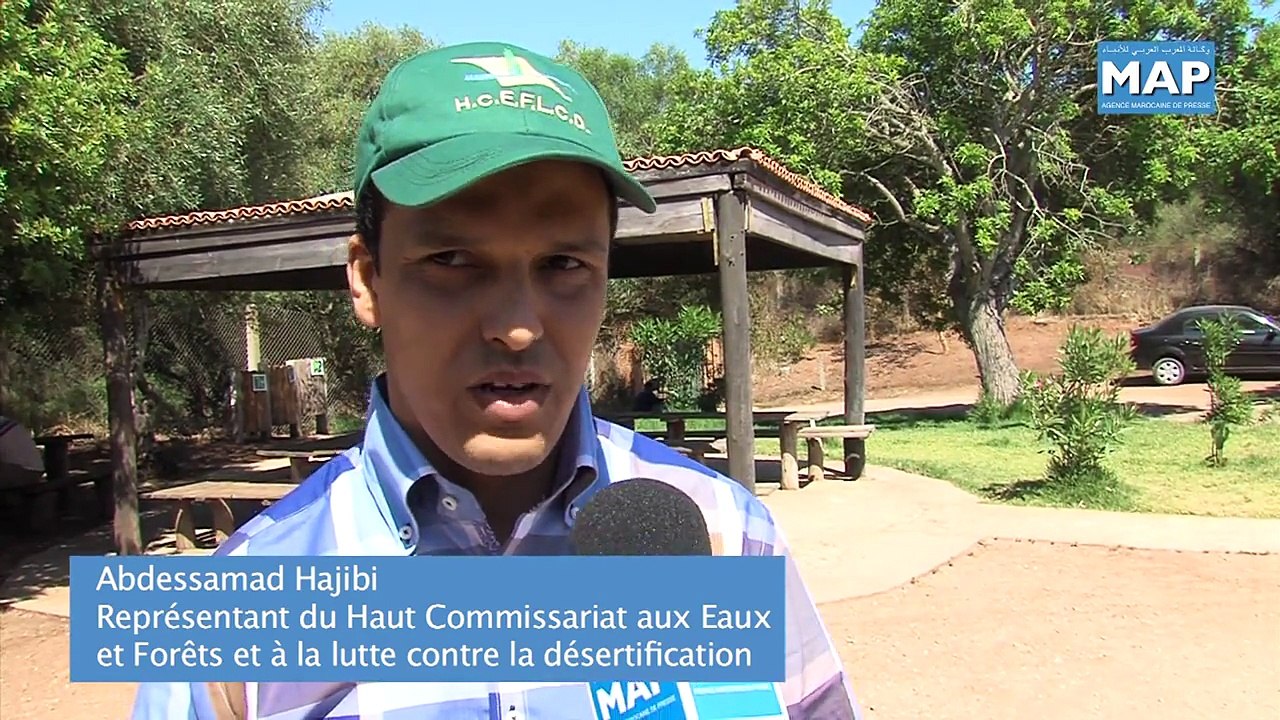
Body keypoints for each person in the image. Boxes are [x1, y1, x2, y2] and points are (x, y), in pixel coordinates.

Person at [131, 41, 864, 719]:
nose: (517, 326)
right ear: (367, 280)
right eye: (452, 260)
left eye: (563, 265)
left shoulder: (727, 535)